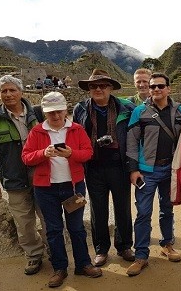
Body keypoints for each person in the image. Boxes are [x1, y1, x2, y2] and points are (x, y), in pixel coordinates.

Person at [22, 92, 102, 288]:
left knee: (76, 228)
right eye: (51, 113)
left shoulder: (76, 129)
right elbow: (26, 157)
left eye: (59, 112)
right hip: (46, 189)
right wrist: (43, 153)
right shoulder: (37, 131)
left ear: (65, 109)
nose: (56, 116)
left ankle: (83, 264)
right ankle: (60, 268)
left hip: (73, 186)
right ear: (45, 113)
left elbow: (88, 153)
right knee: (54, 230)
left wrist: (71, 153)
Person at [72, 69, 136, 267]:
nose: (98, 89)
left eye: (102, 85)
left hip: (118, 165)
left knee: (122, 207)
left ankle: (124, 245)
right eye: (93, 86)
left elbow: (134, 137)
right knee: (98, 209)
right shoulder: (81, 109)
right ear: (89, 89)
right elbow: (75, 135)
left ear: (110, 87)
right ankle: (101, 249)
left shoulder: (125, 107)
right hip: (94, 166)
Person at [126, 72, 181, 276]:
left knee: (167, 209)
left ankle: (167, 244)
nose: (156, 90)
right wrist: (133, 169)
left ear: (169, 88)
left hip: (170, 169)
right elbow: (132, 142)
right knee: (143, 212)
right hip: (147, 171)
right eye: (153, 87)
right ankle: (141, 255)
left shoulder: (179, 112)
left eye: (160, 86)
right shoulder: (140, 112)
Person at [0, 75, 47, 275]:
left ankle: (55, 252)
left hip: (42, 175)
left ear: (21, 92)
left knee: (48, 216)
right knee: (24, 222)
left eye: (12, 90)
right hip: (14, 178)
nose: (8, 94)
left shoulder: (39, 114)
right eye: (3, 91)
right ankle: (34, 256)